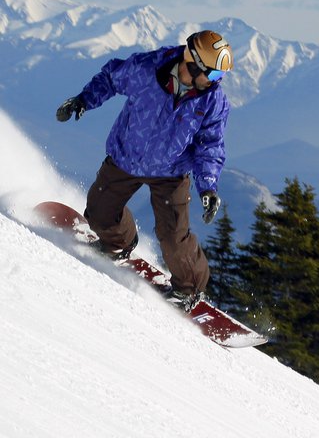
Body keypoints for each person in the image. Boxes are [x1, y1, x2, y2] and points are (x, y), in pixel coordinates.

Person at [55, 30, 234, 309]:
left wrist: (208, 186)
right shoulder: (147, 69)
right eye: (213, 74)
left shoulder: (213, 101)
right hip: (126, 157)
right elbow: (111, 78)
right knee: (100, 213)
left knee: (173, 238)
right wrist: (84, 100)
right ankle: (118, 242)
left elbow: (210, 145)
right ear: (193, 64)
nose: (217, 82)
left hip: (171, 171)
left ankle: (188, 290)